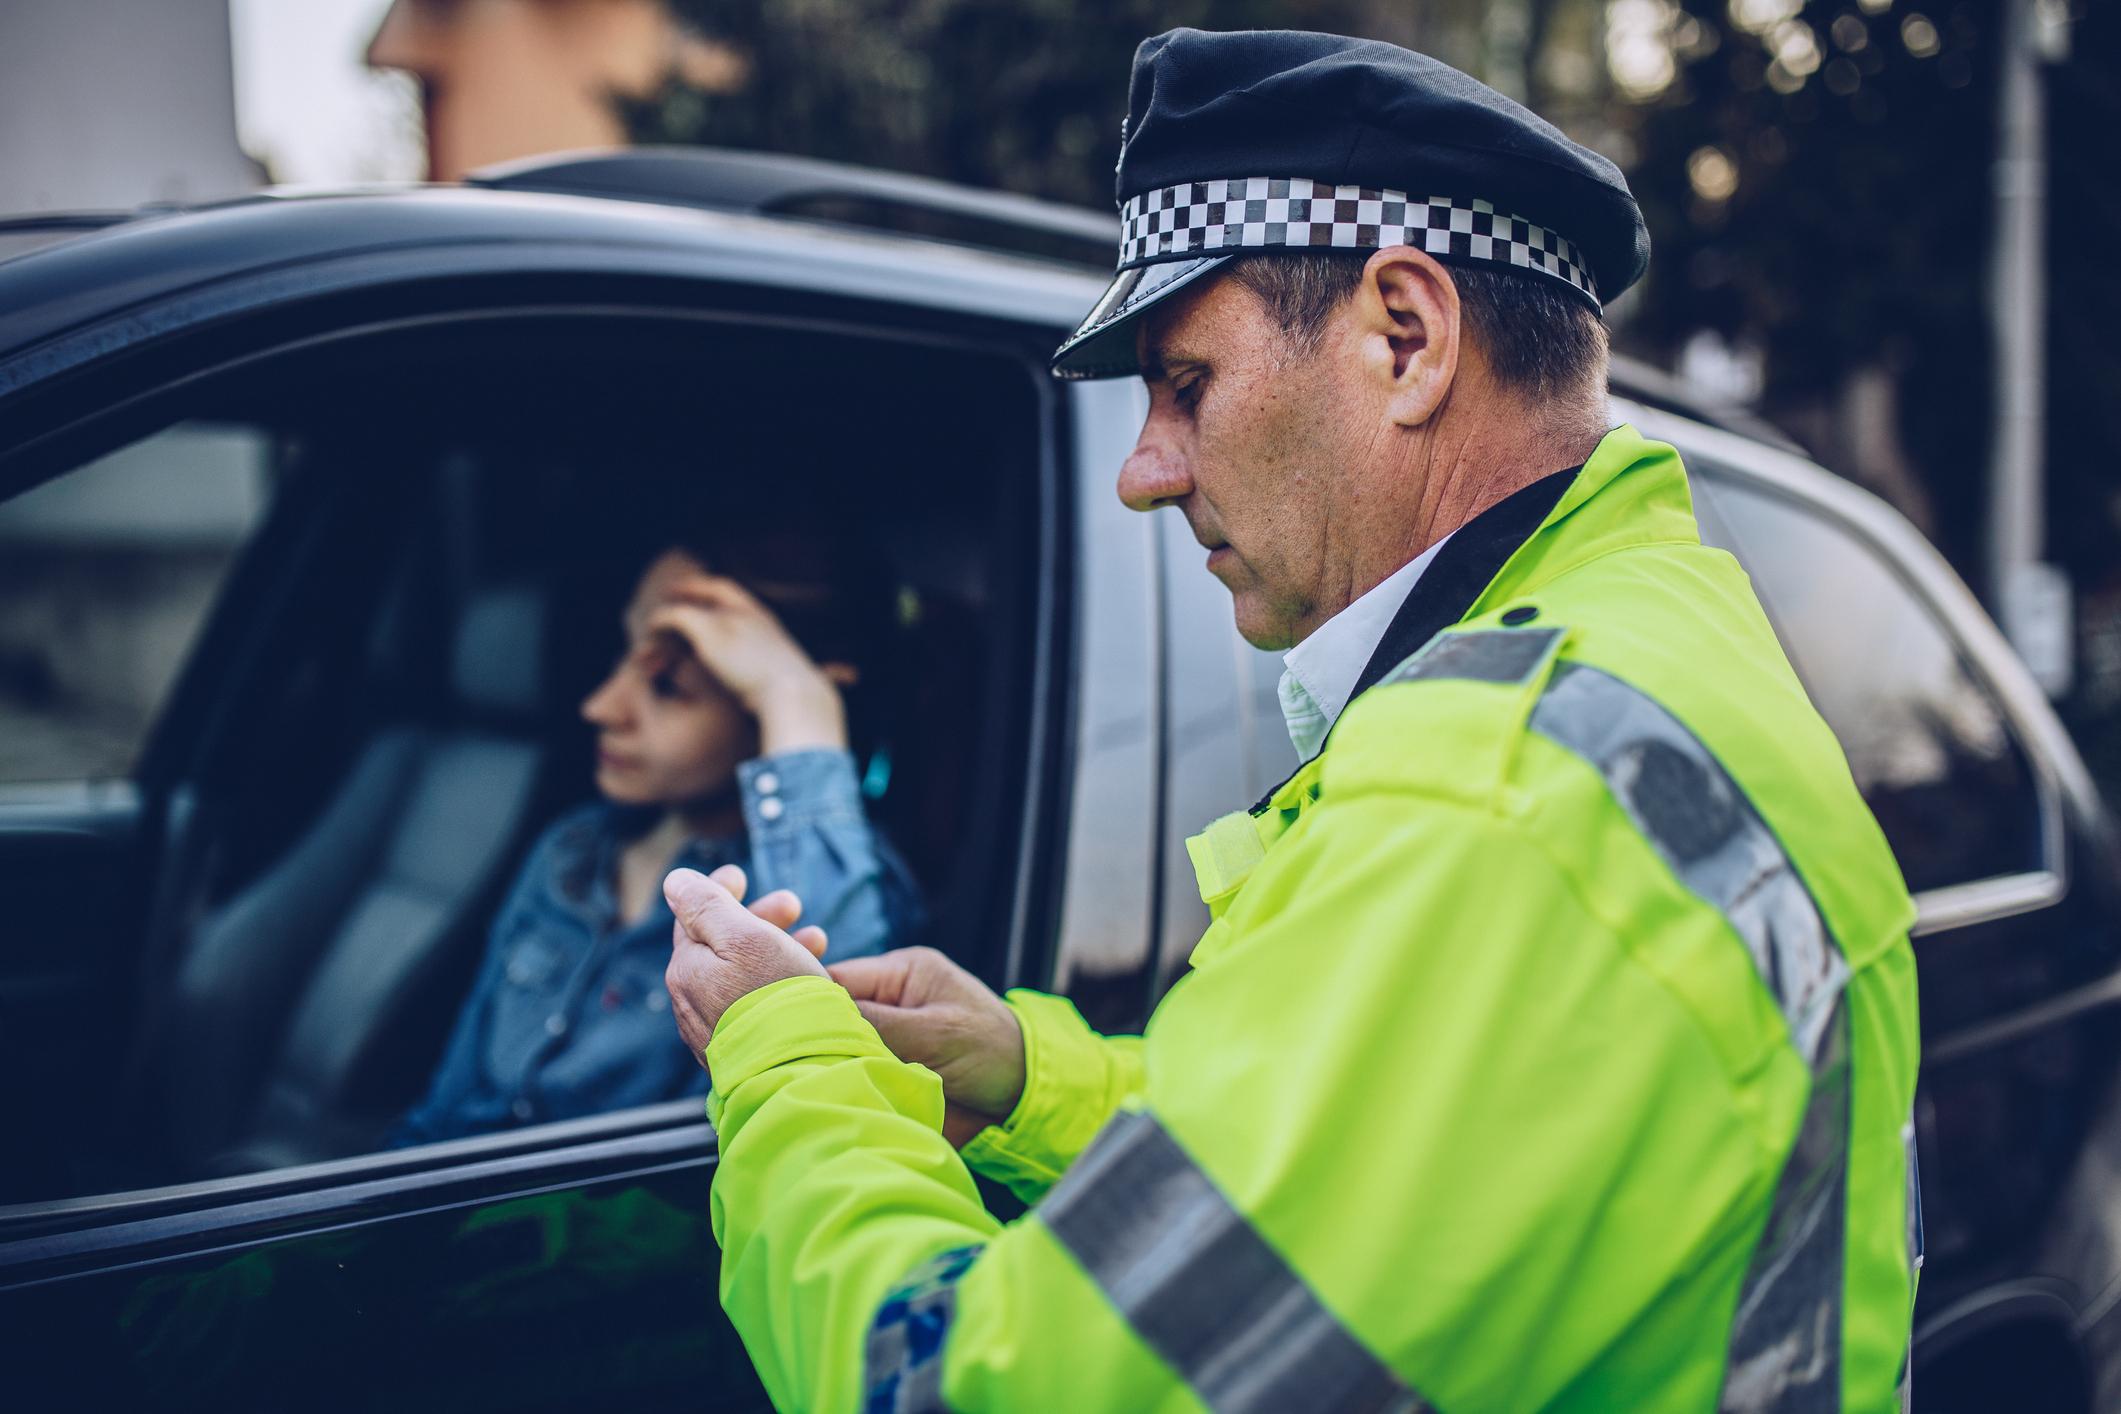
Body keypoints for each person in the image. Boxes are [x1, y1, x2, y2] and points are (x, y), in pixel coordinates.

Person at [661, 28, 1921, 1413]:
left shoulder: (1496, 793)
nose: (1143, 470)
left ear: (1406, 336)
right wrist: (1034, 1080)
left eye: (1183, 380)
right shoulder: (1639, 655)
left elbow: (977, 1388)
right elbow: (1414, 1171)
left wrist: (788, 1066)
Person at [391, 542, 921, 1146]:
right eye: (624, 652)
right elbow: (443, 1110)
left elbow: (831, 1078)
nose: (600, 707)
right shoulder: (573, 849)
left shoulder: (840, 892)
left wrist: (794, 700)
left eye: (668, 686)